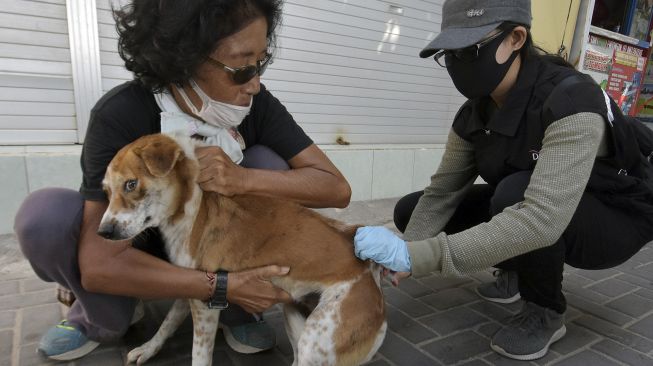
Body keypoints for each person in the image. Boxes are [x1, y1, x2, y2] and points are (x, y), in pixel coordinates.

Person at [14, 0, 351, 361]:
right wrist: (220, 286)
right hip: (140, 250)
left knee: (268, 164)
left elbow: (335, 187)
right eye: (240, 68)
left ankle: (238, 310)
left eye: (261, 62)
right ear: (184, 58)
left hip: (219, 248)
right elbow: (99, 264)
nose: (254, 83)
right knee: (44, 217)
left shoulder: (258, 105)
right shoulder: (120, 113)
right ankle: (102, 314)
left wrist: (243, 178)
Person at [354, 0, 653, 361]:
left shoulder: (572, 99)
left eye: (470, 50)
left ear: (515, 38)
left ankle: (545, 311)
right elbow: (443, 192)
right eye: (449, 53)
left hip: (615, 214)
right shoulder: (474, 113)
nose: (457, 63)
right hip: (534, 201)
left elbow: (542, 219)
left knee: (515, 195)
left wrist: (419, 257)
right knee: (412, 209)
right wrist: (400, 255)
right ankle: (514, 269)